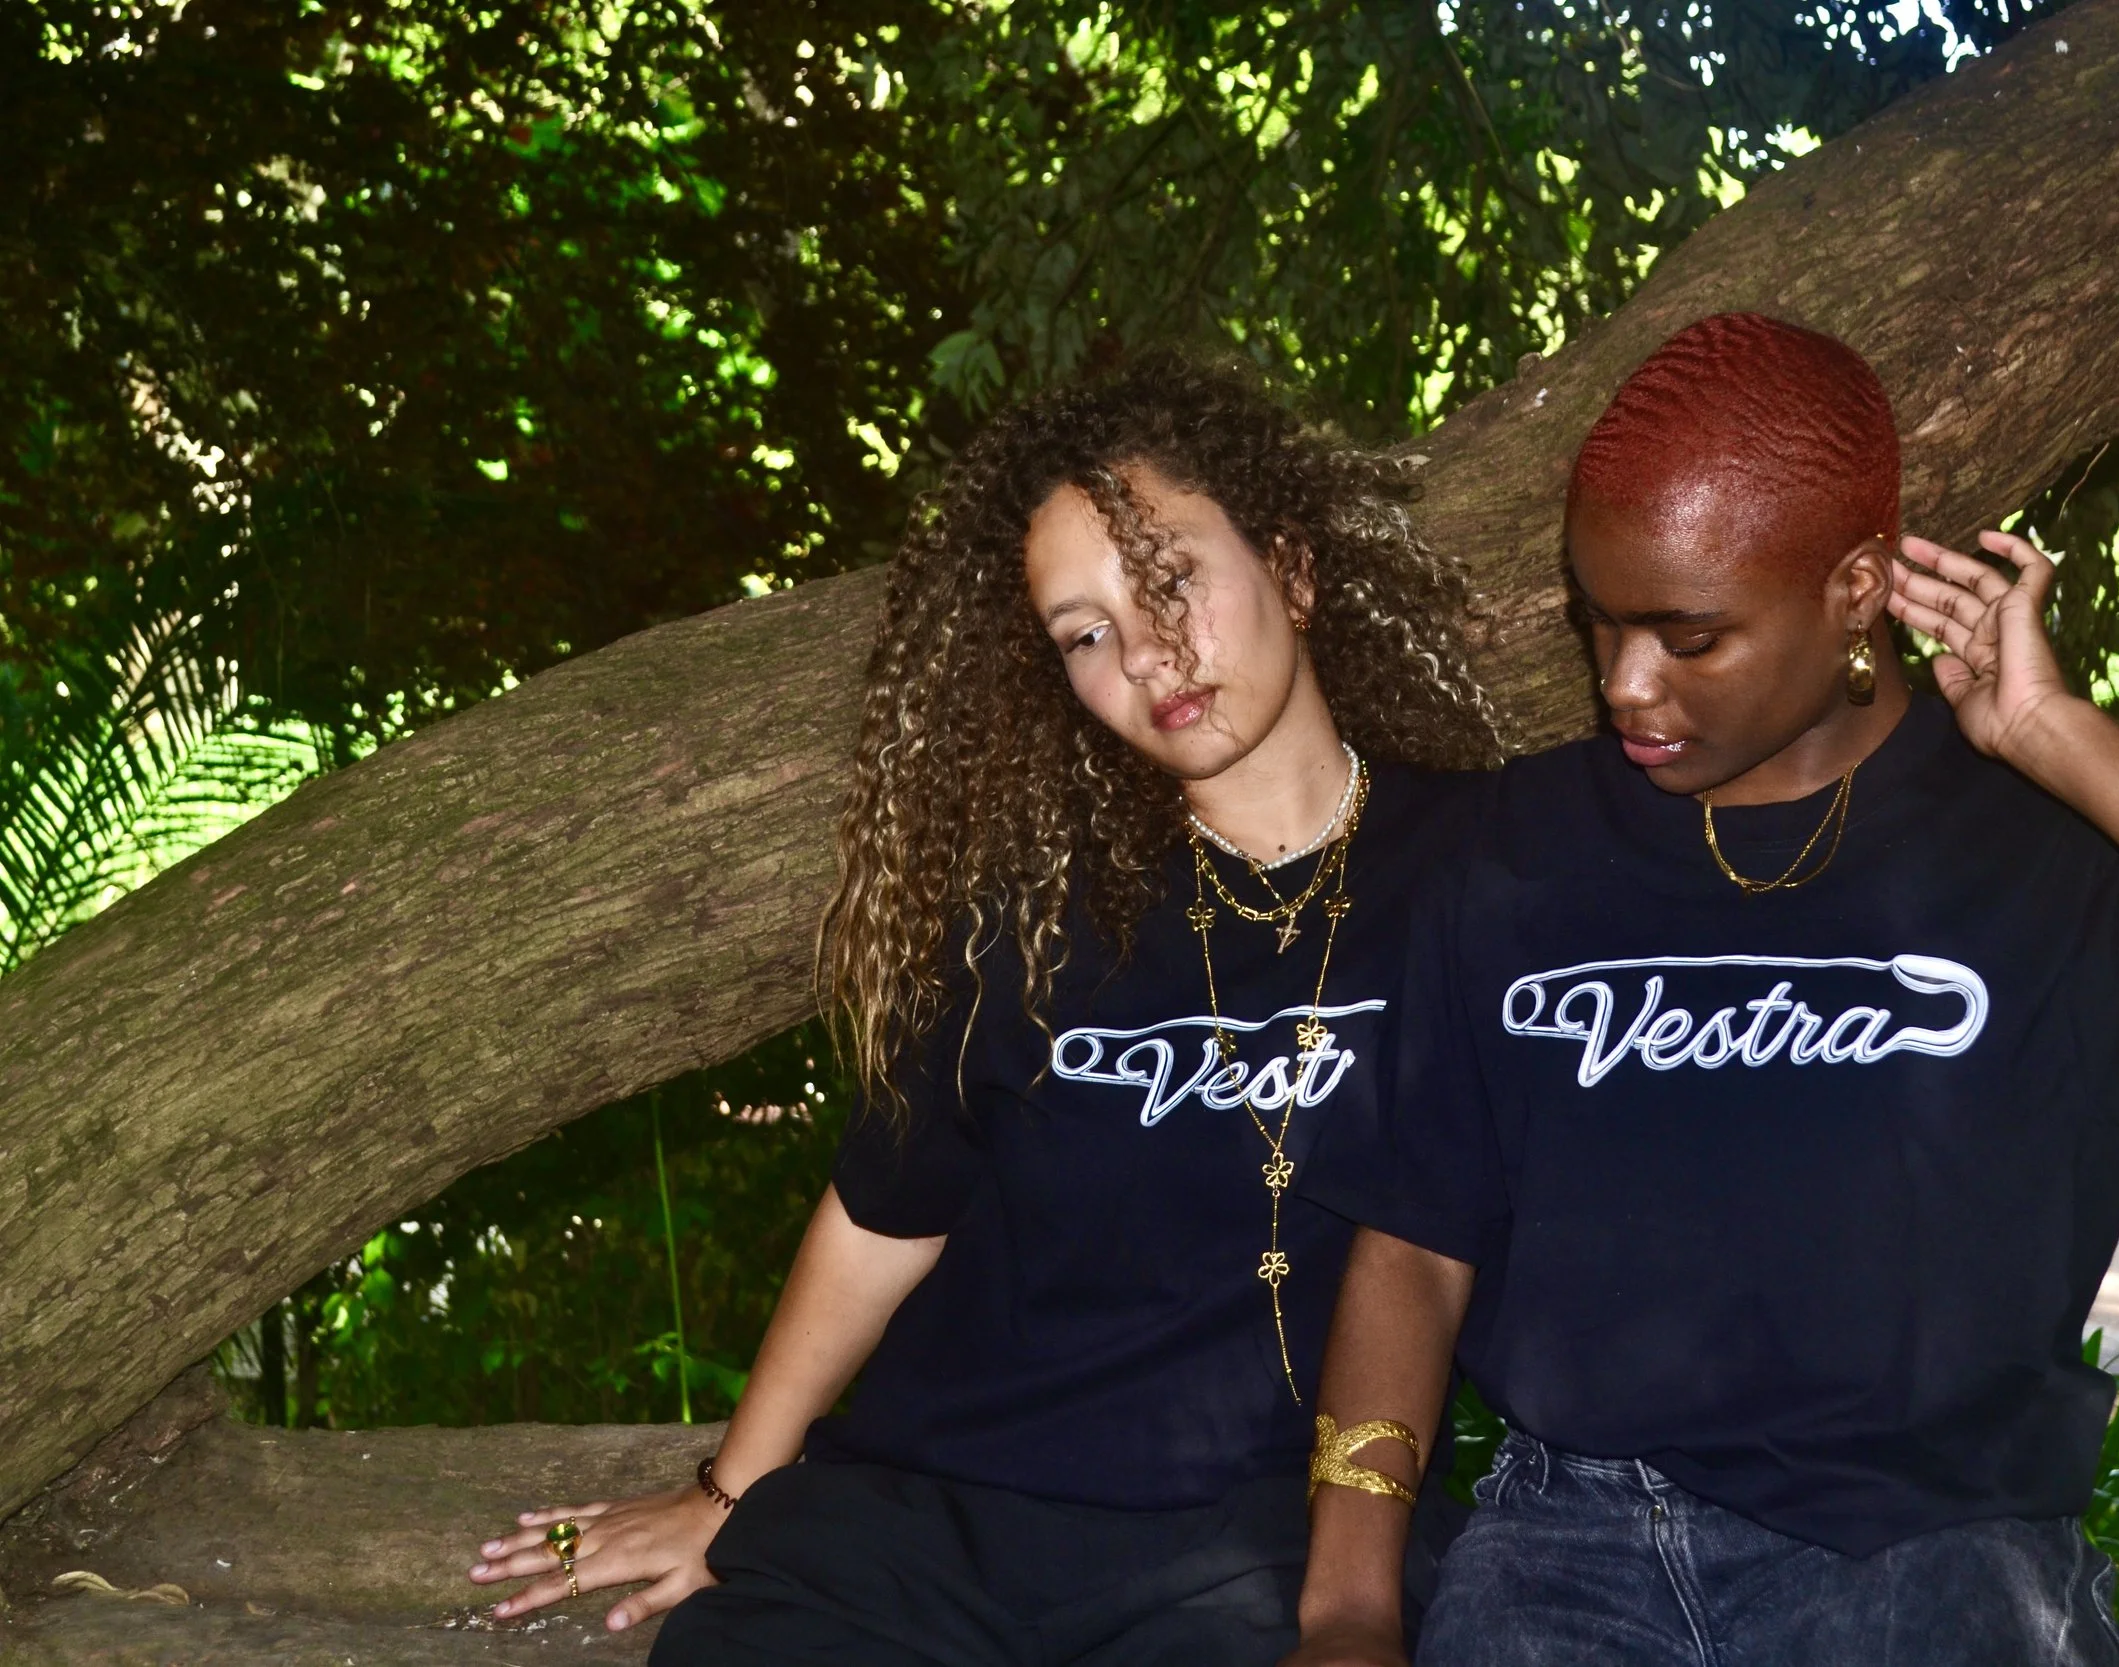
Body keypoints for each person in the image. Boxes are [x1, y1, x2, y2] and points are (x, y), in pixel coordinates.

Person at [1283, 312, 2119, 1667]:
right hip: (1567, 1551)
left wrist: (2056, 736)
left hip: (1932, 1545)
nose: (1624, 682)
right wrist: (1352, 1605)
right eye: (1599, 622)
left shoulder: (2032, 854)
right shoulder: (1513, 852)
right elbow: (1414, 1244)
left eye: (1689, 635)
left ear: (1855, 588)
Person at [462, 351, 1499, 1665]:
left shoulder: (1484, 870)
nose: (1146, 654)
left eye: (1170, 577)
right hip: (938, 1525)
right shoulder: (1049, 908)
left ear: (1292, 566)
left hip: (1263, 1540)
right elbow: (886, 1209)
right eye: (1085, 632)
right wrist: (725, 1493)